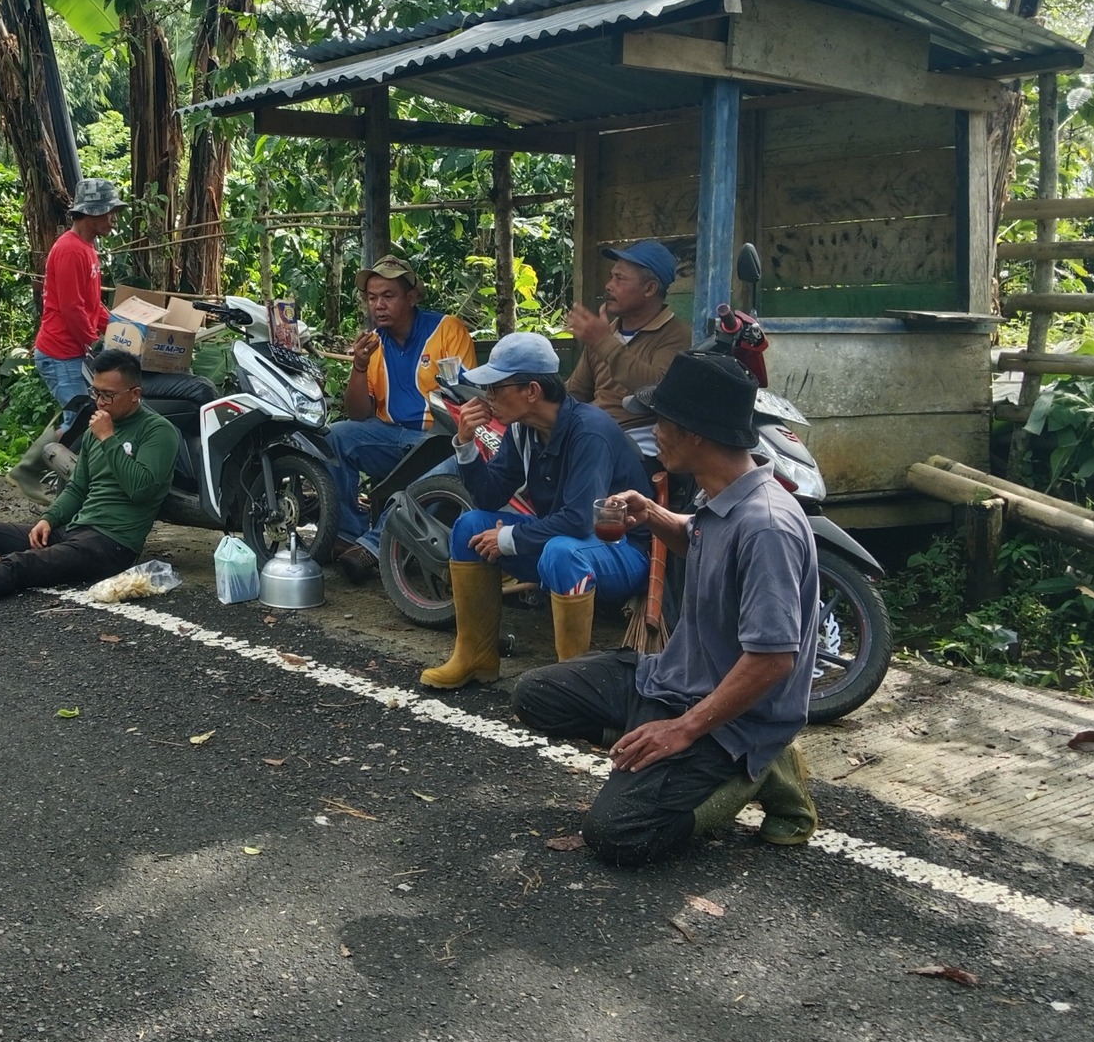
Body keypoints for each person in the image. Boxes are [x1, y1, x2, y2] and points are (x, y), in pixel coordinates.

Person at [512, 350, 821, 866]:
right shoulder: (720, 494)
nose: (654, 432)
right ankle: (659, 749)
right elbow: (698, 537)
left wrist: (682, 730)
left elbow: (773, 660)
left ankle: (759, 769)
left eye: (661, 421)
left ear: (694, 434)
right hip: (675, 679)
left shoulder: (766, 526)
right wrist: (654, 514)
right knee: (537, 695)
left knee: (617, 834)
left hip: (733, 720)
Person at [421, 331, 652, 692]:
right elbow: (489, 497)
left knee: (561, 552)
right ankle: (475, 657)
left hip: (623, 552)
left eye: (496, 388)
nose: (487, 396)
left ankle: (573, 688)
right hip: (566, 541)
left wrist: (509, 538)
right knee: (469, 526)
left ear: (531, 390)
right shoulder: (522, 430)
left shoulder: (589, 431)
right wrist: (465, 444)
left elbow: (580, 520)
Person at [0, 349, 177, 612]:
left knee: (20, 565)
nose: (99, 402)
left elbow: (141, 490)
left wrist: (109, 439)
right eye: (96, 392)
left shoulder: (157, 432)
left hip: (111, 545)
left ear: (135, 394)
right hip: (75, 530)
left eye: (108, 395)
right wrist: (49, 519)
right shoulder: (95, 432)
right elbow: (77, 488)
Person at [327, 255, 476, 580]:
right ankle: (348, 536)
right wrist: (359, 366)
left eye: (388, 296)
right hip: (390, 436)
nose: (378, 305)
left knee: (452, 458)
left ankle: (373, 546)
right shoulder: (374, 343)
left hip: (437, 439)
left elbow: (465, 398)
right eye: (372, 298)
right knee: (337, 435)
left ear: (411, 297)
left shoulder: (446, 329)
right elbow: (359, 414)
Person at [565, 240, 692, 436]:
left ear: (649, 289)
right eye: (611, 277)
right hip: (594, 432)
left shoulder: (676, 335)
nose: (608, 286)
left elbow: (658, 391)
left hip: (644, 438)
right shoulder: (606, 332)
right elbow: (576, 392)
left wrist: (603, 343)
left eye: (620, 279)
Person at [33, 179, 125, 429]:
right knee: (79, 424)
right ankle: (50, 454)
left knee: (85, 419)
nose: (114, 219)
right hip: (61, 353)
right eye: (110, 212)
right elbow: (72, 309)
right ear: (93, 212)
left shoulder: (86, 247)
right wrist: (94, 343)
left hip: (72, 352)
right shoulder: (71, 250)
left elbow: (91, 305)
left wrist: (121, 329)